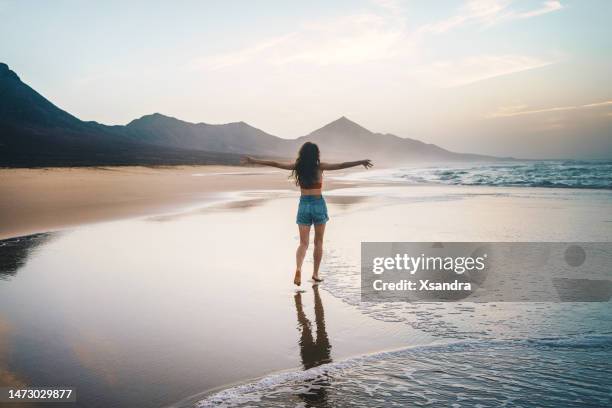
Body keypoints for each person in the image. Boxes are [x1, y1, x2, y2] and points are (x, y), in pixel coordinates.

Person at [243, 142, 372, 285]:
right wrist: (360, 162)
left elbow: (275, 163)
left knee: (303, 243)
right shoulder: (320, 167)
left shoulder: (297, 167)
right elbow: (341, 165)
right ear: (316, 154)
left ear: (302, 154)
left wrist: (254, 160)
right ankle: (315, 274)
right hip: (318, 204)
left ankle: (298, 268)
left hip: (304, 205)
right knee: (318, 242)